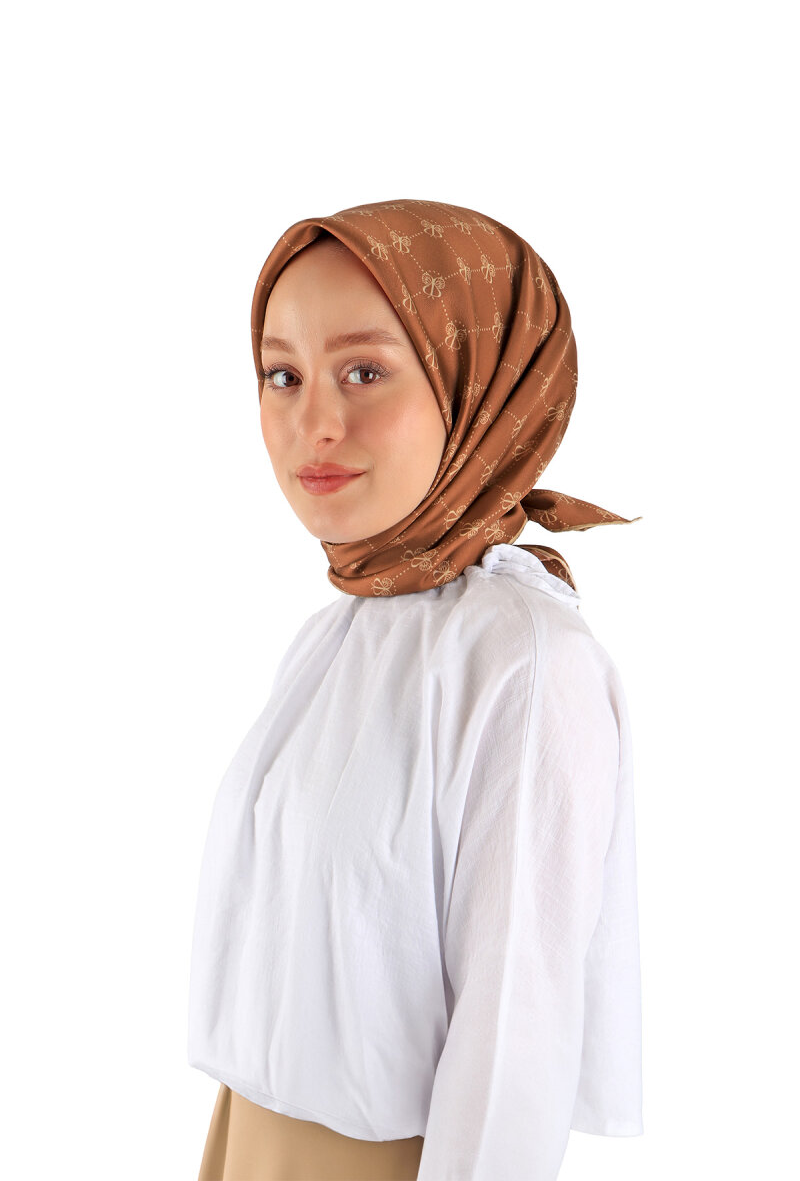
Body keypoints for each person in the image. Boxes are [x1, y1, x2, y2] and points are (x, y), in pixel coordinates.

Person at [187, 198, 644, 1180]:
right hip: (247, 1140)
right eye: (282, 375)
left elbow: (516, 1030)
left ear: (481, 380)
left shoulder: (527, 659)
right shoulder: (336, 633)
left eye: (364, 371)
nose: (314, 423)